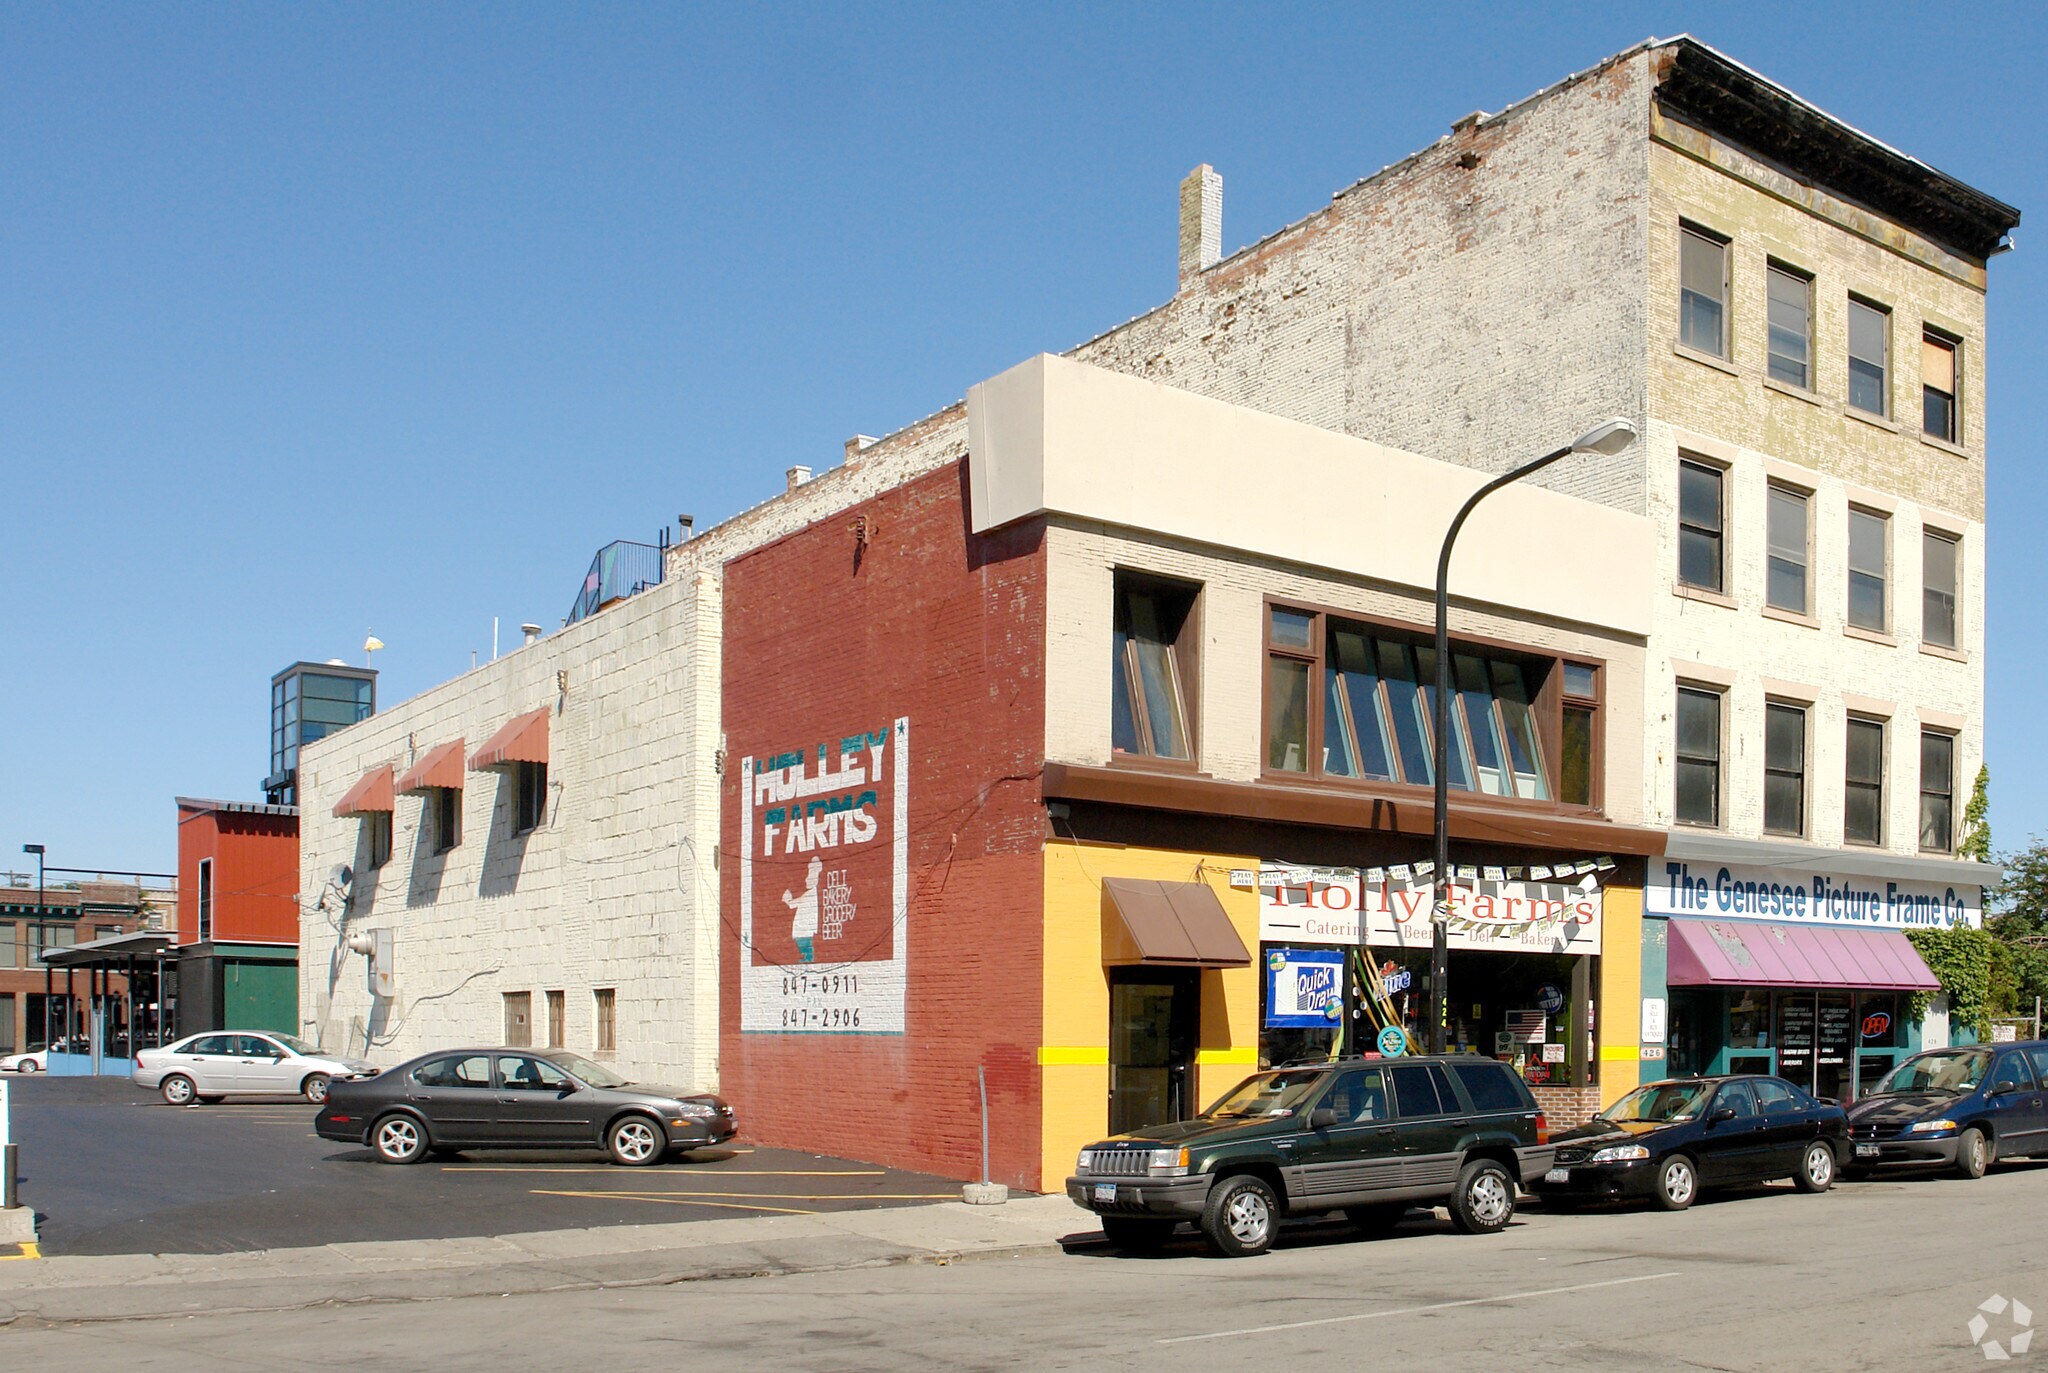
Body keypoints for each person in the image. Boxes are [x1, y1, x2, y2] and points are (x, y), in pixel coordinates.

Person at [782, 857, 823, 962]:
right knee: (806, 954)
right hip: (804, 932)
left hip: (804, 933)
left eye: (811, 874)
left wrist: (787, 899)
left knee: (806, 954)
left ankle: (807, 960)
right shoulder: (812, 893)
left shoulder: (811, 893)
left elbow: (792, 904)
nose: (806, 879)